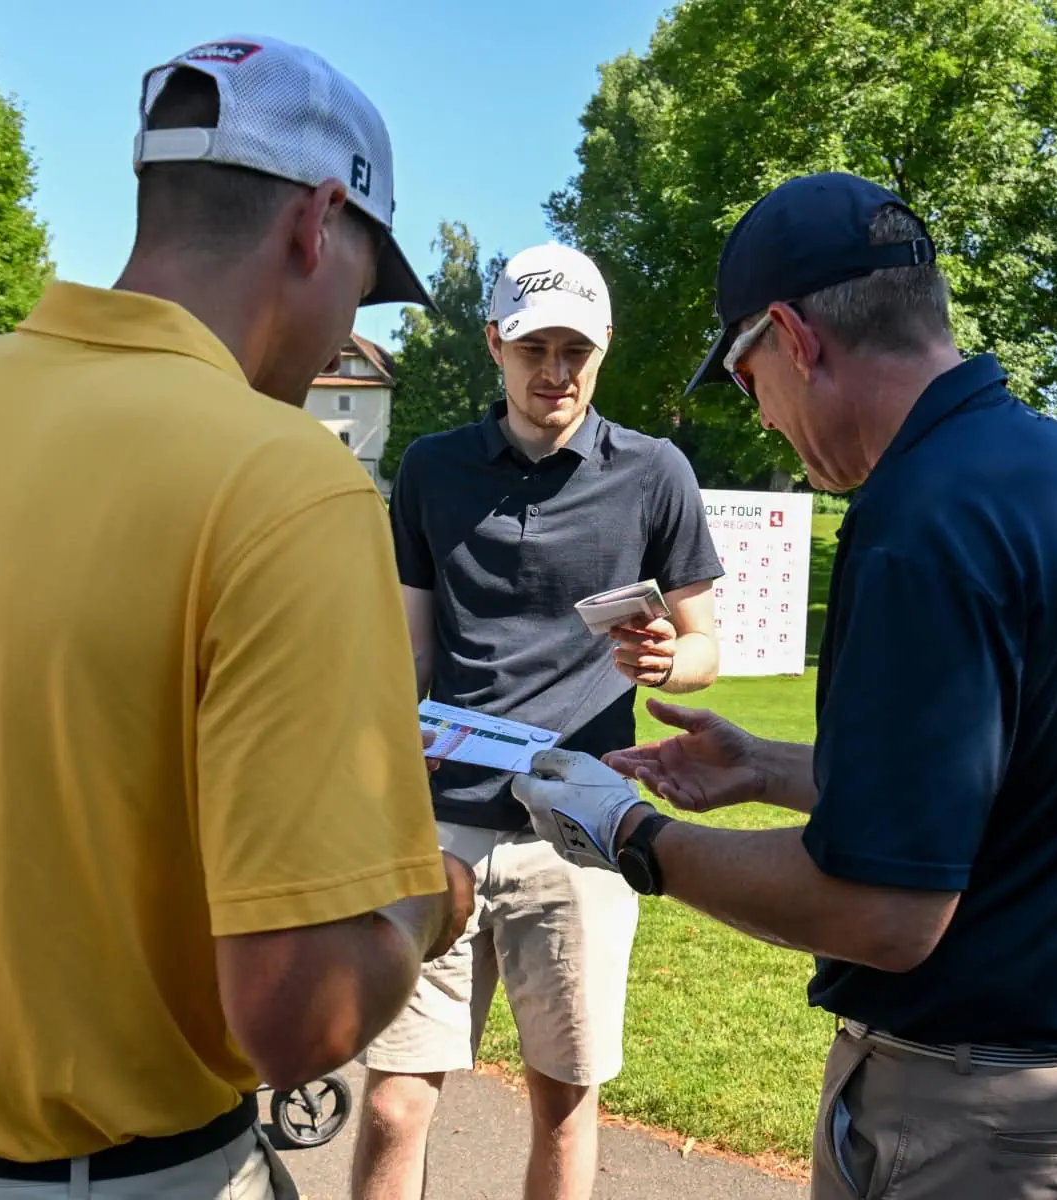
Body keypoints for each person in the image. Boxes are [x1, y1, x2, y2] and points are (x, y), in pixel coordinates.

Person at [0, 35, 474, 1199]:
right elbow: (298, 1011)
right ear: (317, 220)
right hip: (115, 1176)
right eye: (364, 281)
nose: (348, 325)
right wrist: (429, 896)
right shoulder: (288, 479)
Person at [510, 173, 1057, 1200]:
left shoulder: (921, 519)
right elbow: (995, 785)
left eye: (747, 379)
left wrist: (629, 836)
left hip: (969, 1117)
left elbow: (884, 912)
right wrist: (767, 768)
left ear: (794, 337)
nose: (763, 417)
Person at [349, 244, 724, 1200]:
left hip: (580, 827)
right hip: (440, 824)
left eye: (575, 350)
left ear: (604, 349)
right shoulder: (432, 469)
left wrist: (665, 658)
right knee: (394, 1101)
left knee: (563, 1101)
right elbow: (411, 651)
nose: (555, 372)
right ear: (495, 345)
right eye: (533, 348)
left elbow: (703, 646)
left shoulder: (655, 472)